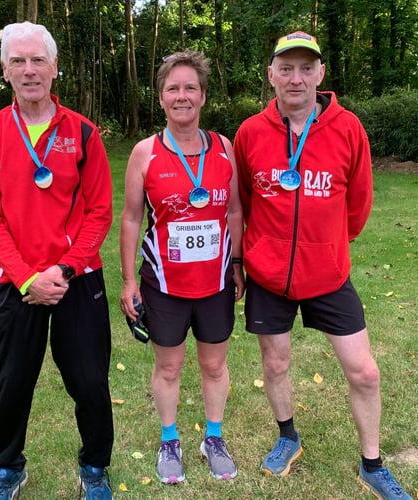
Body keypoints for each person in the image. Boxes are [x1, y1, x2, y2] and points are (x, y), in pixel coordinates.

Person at [233, 31, 412, 499]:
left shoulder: (348, 127)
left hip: (328, 275)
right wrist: (256, 254)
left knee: (364, 372)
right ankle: (287, 436)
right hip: (268, 276)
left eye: (306, 68)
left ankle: (372, 464)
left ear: (321, 74)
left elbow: (359, 202)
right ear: (271, 74)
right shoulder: (250, 133)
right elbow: (245, 202)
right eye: (286, 68)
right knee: (275, 363)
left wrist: (328, 246)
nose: (296, 78)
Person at [0, 22, 114, 500]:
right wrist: (27, 275)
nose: (29, 70)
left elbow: (99, 213)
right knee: (11, 382)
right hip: (16, 282)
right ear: (5, 71)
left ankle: (94, 467)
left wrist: (64, 268)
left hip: (78, 279)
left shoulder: (84, 132)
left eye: (37, 60)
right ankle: (7, 469)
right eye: (18, 61)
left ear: (54, 68)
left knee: (90, 382)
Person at [119, 51, 245, 484]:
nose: (182, 96)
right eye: (173, 88)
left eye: (190, 87)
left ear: (203, 96)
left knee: (214, 366)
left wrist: (238, 263)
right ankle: (169, 439)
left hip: (214, 283)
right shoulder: (144, 153)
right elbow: (132, 217)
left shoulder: (224, 147)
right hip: (164, 286)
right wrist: (129, 279)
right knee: (169, 367)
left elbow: (233, 211)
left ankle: (213, 438)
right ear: (160, 99)